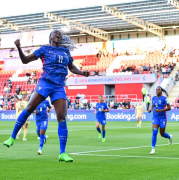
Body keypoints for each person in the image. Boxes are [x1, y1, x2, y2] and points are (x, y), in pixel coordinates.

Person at [3, 30, 89, 163]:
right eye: (55, 33)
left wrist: (82, 73)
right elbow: (25, 60)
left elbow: (71, 67)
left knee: (62, 117)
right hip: (45, 83)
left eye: (60, 33)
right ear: (50, 38)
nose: (58, 35)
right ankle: (12, 137)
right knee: (30, 107)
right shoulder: (44, 49)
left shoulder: (65, 51)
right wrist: (19, 48)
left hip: (59, 86)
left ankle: (62, 153)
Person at [148, 86, 172, 155]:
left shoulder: (164, 98)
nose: (157, 91)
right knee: (154, 131)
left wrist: (160, 110)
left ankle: (169, 137)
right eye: (156, 90)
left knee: (162, 134)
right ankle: (153, 149)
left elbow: (169, 107)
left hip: (162, 117)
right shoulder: (153, 98)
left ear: (161, 91)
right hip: (155, 117)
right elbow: (153, 106)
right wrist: (151, 110)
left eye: (159, 90)